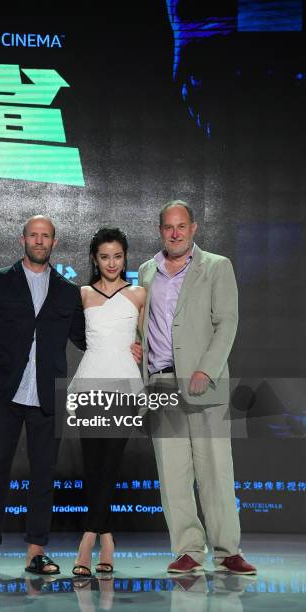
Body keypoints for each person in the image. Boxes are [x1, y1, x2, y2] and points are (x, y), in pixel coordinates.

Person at [138, 201, 257, 575]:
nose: (175, 233)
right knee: (173, 475)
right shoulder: (146, 271)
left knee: (216, 470)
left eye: (181, 226)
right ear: (160, 230)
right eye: (168, 227)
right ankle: (187, 549)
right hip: (160, 381)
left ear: (194, 228)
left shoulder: (217, 266)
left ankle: (227, 551)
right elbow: (144, 324)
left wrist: (206, 369)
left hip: (204, 381)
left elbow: (227, 322)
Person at [0, 215, 86, 577]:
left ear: (54, 242)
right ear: (22, 240)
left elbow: (85, 338)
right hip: (5, 395)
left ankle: (37, 552)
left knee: (43, 477)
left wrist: (127, 340)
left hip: (47, 398)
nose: (39, 241)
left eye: (45, 236)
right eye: (33, 235)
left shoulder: (68, 291)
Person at [69, 227, 146, 577]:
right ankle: (108, 537)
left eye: (117, 256)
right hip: (89, 384)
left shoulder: (140, 294)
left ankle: (88, 538)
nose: (111, 262)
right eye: (104, 256)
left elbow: (148, 339)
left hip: (126, 387)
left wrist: (140, 350)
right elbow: (78, 336)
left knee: (111, 464)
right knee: (94, 465)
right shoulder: (82, 294)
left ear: (125, 257)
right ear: (94, 259)